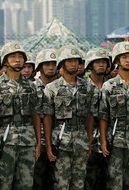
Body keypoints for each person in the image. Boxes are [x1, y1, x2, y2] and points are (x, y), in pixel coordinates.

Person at [0, 41, 41, 190]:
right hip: (5, 142)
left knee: (26, 183)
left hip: (28, 141)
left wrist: (38, 143)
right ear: (5, 61)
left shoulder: (31, 87)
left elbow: (36, 115)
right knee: (4, 183)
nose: (17, 60)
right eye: (13, 57)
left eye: (20, 57)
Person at [42, 45, 95, 190]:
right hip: (61, 142)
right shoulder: (52, 88)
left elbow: (90, 117)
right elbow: (47, 118)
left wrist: (89, 142)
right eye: (70, 61)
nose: (74, 64)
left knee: (79, 184)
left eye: (76, 61)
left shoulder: (88, 87)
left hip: (81, 141)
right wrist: (48, 146)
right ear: (62, 63)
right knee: (61, 184)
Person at [99, 41, 129, 190]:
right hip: (115, 140)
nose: (128, 60)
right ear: (117, 61)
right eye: (124, 57)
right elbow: (103, 116)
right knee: (115, 182)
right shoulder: (109, 86)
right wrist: (103, 140)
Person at [83, 48, 111, 190]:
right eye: (97, 62)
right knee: (89, 178)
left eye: (104, 62)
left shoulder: (112, 86)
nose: (101, 65)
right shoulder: (83, 87)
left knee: (108, 178)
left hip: (110, 137)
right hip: (90, 138)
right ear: (90, 65)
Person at [32, 49, 58, 190]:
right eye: (47, 64)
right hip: (38, 141)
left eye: (54, 64)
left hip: (57, 138)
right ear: (40, 67)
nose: (51, 67)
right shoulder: (33, 88)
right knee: (38, 179)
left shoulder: (59, 87)